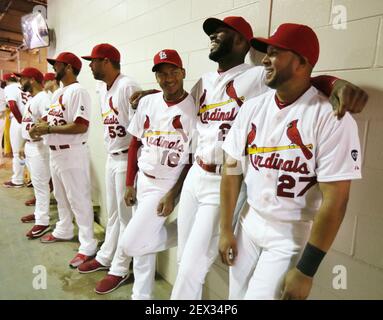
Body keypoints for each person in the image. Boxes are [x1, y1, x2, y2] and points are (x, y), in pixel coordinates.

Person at [127, 16, 368, 300]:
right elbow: (179, 101)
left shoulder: (255, 77)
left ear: (241, 40)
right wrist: (152, 95)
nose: (213, 35)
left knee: (191, 266)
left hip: (229, 185)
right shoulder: (206, 81)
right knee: (183, 261)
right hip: (199, 176)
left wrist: (334, 82)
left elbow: (300, 85)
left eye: (221, 31)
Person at [219, 23, 362, 300]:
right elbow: (231, 169)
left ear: (302, 62)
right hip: (249, 222)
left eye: (274, 52)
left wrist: (306, 270)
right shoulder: (252, 107)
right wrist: (226, 228)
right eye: (266, 52)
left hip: (289, 235)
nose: (264, 60)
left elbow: (337, 201)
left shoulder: (331, 118)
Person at [120, 49, 195, 299]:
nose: (168, 78)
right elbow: (135, 143)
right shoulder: (148, 102)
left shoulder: (194, 107)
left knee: (132, 243)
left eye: (173, 72)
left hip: (166, 184)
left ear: (183, 73)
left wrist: (174, 193)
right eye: (162, 74)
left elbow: (192, 158)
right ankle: (141, 296)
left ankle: (187, 232)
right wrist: (129, 182)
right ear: (156, 78)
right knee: (144, 247)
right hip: (143, 180)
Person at [77, 44, 140, 294]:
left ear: (106, 61)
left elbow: (141, 128)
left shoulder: (127, 86)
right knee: (112, 213)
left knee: (126, 217)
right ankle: (106, 256)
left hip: (127, 159)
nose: (90, 65)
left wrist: (134, 170)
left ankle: (121, 268)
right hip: (112, 156)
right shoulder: (102, 87)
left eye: (93, 61)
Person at [30, 52, 98, 268]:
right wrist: (38, 128)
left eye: (56, 64)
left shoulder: (78, 91)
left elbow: (81, 125)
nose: (53, 68)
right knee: (60, 196)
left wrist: (48, 128)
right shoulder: (59, 92)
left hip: (72, 151)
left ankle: (88, 245)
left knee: (79, 200)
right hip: (55, 151)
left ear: (68, 67)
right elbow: (50, 118)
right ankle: (64, 229)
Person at [16, 67, 52, 237]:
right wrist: (24, 143)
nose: (20, 82)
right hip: (31, 145)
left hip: (39, 146)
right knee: (37, 185)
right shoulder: (33, 98)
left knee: (41, 185)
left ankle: (42, 221)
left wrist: (35, 133)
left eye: (22, 78)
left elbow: (48, 118)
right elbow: (27, 124)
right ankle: (39, 214)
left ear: (31, 79)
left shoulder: (44, 97)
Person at [3, 73, 30, 187]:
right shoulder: (22, 86)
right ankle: (32, 179)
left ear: (6, 80)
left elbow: (12, 105)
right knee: (29, 151)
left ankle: (17, 180)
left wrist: (20, 121)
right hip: (29, 120)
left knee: (17, 153)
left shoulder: (9, 88)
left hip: (19, 121)